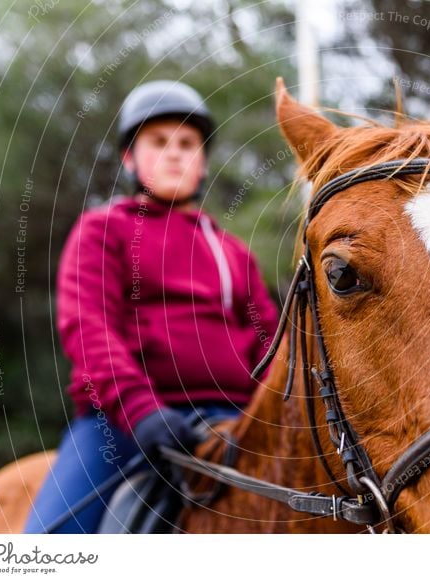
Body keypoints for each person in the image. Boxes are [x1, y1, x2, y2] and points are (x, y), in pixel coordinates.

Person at [23, 80, 279, 533]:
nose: (175, 153)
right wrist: (141, 410)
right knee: (47, 546)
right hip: (125, 424)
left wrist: (280, 411)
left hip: (237, 420)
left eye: (187, 143)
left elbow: (270, 345)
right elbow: (89, 327)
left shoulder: (233, 252)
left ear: (202, 160)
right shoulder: (103, 230)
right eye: (159, 142)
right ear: (129, 158)